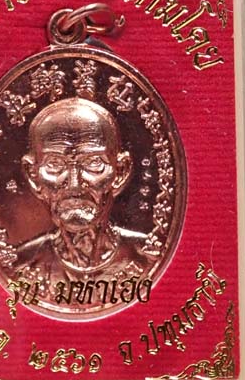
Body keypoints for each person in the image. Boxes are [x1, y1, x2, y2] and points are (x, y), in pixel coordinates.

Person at [14, 97, 151, 288]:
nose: (74, 185)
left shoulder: (148, 256)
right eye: (55, 164)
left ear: (120, 172)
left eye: (93, 163)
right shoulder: (20, 266)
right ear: (33, 175)